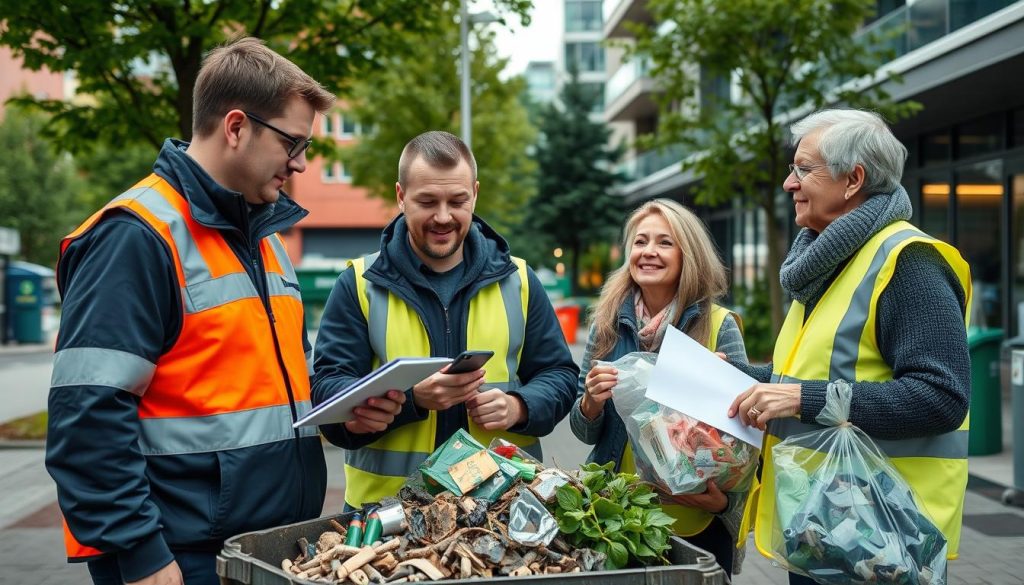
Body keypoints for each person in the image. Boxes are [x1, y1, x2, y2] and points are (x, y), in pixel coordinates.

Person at [46, 37, 336, 585]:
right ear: (235, 127)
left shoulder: (263, 237)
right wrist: (141, 555)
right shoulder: (135, 237)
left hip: (265, 548)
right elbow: (86, 417)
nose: (299, 164)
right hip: (178, 559)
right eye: (292, 143)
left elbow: (275, 388)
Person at [727, 109, 971, 584]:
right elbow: (813, 375)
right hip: (829, 527)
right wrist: (739, 375)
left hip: (888, 536)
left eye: (803, 168)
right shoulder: (828, 263)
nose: (788, 183)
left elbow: (942, 396)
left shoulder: (909, 264)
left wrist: (803, 399)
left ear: (852, 180)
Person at [312, 130, 579, 509]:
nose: (443, 217)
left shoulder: (519, 280)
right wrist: (411, 400)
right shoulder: (358, 283)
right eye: (427, 201)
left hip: (502, 512)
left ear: (476, 194)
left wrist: (519, 406)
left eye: (457, 201)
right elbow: (327, 394)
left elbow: (561, 377)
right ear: (401, 197)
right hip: (388, 520)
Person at [569, 199, 750, 577]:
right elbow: (585, 433)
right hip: (617, 517)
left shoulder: (720, 326)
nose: (648, 252)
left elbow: (745, 436)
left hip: (694, 518)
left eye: (664, 243)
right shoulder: (605, 324)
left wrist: (723, 505)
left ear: (689, 255)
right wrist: (589, 403)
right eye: (640, 241)